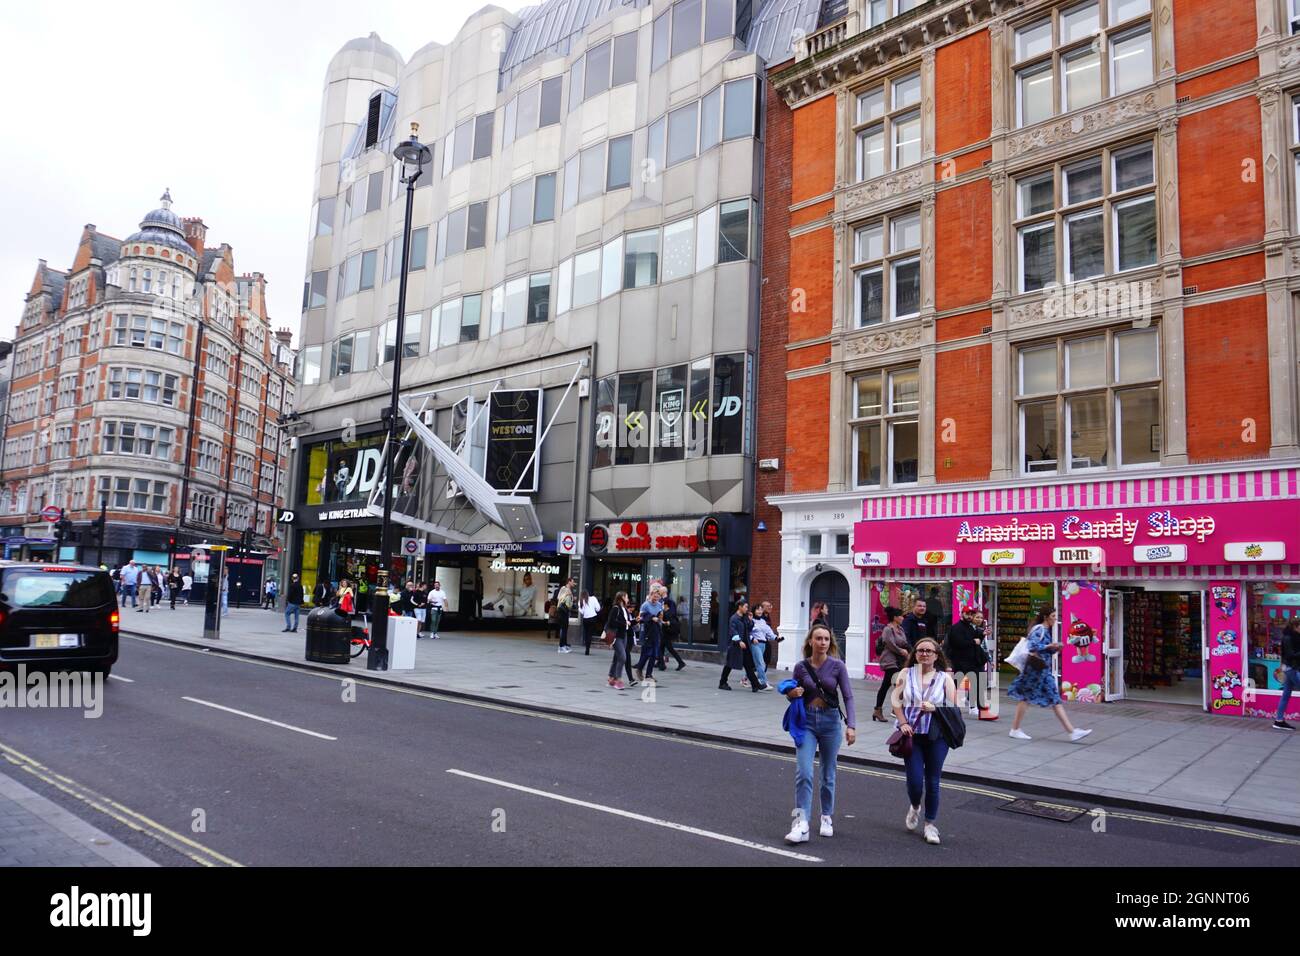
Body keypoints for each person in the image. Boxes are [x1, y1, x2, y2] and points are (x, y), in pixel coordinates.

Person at [783, 623, 857, 844]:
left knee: (827, 774)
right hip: (806, 721)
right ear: (810, 642)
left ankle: (826, 817)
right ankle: (801, 823)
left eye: (826, 639)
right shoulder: (800, 667)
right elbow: (792, 694)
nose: (823, 642)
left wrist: (851, 725)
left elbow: (849, 697)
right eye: (818, 638)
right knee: (803, 773)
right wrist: (791, 693)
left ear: (830, 643)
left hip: (830, 723)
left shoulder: (838, 666)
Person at [892, 637, 958, 846]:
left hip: (937, 736)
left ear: (937, 655)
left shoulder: (945, 679)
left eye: (929, 651)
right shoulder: (905, 674)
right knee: (914, 781)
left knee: (933, 781)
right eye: (921, 650)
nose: (924, 654)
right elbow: (896, 701)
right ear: (915, 653)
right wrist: (902, 723)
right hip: (912, 735)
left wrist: (935, 708)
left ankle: (930, 824)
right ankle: (914, 806)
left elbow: (954, 709)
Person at [1008, 605, 1093, 742]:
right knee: (1026, 698)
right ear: (1046, 617)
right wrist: (1049, 646)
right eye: (1053, 616)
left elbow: (1043, 649)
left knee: (1054, 699)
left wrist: (1055, 648)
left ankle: (1072, 732)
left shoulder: (1046, 630)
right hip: (1035, 670)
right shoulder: (1040, 629)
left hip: (1043, 670)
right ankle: (1015, 729)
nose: (1055, 619)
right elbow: (1033, 646)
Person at [944, 607, 988, 715]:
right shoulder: (956, 628)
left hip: (972, 660)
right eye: (967, 614)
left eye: (971, 614)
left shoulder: (970, 627)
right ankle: (947, 703)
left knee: (977, 682)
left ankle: (976, 707)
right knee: (956, 683)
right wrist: (973, 641)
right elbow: (958, 643)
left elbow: (977, 641)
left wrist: (982, 635)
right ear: (962, 613)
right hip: (960, 660)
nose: (970, 616)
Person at [873, 606, 909, 722]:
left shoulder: (901, 629)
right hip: (889, 660)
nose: (903, 618)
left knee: (886, 686)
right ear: (895, 617)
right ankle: (896, 709)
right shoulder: (888, 629)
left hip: (899, 661)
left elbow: (904, 641)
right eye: (901, 616)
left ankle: (878, 710)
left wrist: (908, 650)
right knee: (898, 683)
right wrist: (901, 651)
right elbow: (889, 644)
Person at [720, 599, 765, 691]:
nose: (747, 609)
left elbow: (749, 628)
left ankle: (755, 684)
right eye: (745, 607)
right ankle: (722, 683)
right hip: (735, 646)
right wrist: (739, 641)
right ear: (740, 607)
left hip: (745, 646)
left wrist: (751, 620)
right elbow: (733, 632)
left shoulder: (744, 618)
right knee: (729, 665)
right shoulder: (734, 618)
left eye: (747, 607)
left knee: (748, 665)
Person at [1273, 622, 1300, 730]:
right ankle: (1278, 721)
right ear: (1295, 627)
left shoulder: (1294, 637)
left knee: (1286, 695)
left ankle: (1279, 721)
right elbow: (1290, 655)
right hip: (1291, 668)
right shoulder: (1288, 638)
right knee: (1285, 695)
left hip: (1289, 668)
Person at [634, 586, 665, 680]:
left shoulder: (659, 605)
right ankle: (639, 668)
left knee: (654, 654)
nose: (656, 599)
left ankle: (648, 674)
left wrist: (661, 618)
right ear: (650, 595)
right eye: (654, 597)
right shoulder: (645, 605)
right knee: (647, 653)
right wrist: (651, 618)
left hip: (656, 631)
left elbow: (660, 617)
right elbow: (640, 618)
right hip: (647, 631)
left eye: (658, 597)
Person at [605, 592, 633, 690]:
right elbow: (611, 622)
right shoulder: (615, 608)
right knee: (622, 657)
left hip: (623, 635)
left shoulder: (624, 609)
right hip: (616, 636)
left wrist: (636, 621)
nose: (628, 599)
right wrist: (624, 623)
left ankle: (610, 678)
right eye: (627, 597)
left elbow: (627, 624)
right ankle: (618, 680)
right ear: (622, 598)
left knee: (617, 657)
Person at [658, 589, 686, 671]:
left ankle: (663, 664)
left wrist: (664, 616)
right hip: (664, 627)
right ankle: (661, 663)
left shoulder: (670, 602)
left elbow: (672, 614)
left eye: (659, 591)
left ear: (663, 592)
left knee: (666, 647)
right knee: (662, 647)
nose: (658, 592)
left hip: (667, 628)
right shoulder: (661, 601)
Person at [751, 605, 777, 688]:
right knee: (760, 663)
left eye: (761, 610)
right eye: (757, 609)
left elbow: (768, 631)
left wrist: (776, 637)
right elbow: (747, 632)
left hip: (763, 644)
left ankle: (746, 678)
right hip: (755, 644)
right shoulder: (751, 620)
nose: (759, 611)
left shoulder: (763, 621)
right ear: (754, 611)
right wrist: (752, 639)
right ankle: (763, 682)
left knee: (756, 664)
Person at [760, 601, 783, 671]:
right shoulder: (760, 617)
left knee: (767, 659)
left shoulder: (768, 617)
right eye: (768, 606)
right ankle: (746, 678)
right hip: (759, 641)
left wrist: (775, 637)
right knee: (757, 661)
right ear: (763, 608)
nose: (770, 607)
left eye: (770, 606)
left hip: (766, 640)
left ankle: (762, 678)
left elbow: (768, 630)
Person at [579, 589, 601, 655]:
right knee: (590, 634)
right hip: (592, 618)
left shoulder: (580, 601)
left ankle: (587, 648)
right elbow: (598, 608)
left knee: (586, 633)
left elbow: (581, 612)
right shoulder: (593, 598)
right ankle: (588, 648)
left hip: (585, 619)